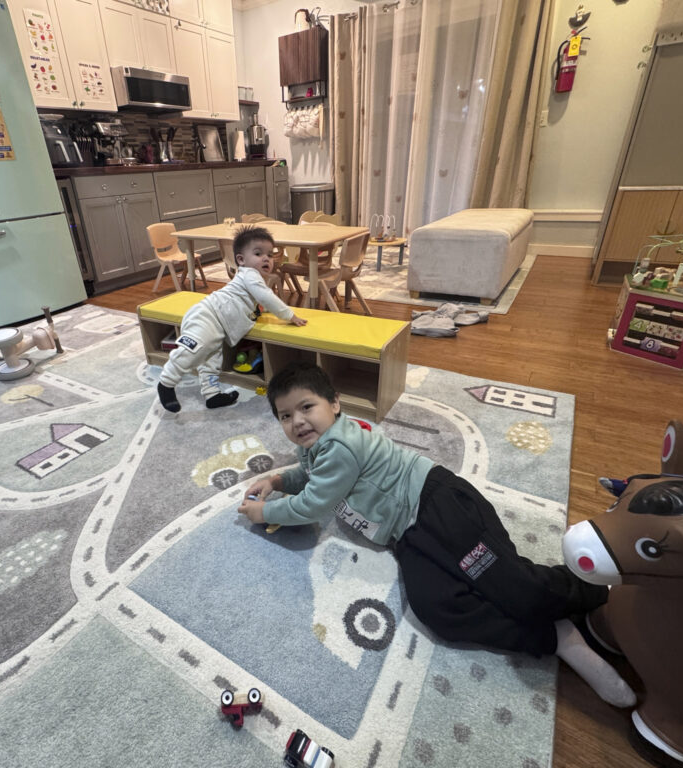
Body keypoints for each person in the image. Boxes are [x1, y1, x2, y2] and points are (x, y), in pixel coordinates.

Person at [238, 361, 636, 708]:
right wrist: (278, 479)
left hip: (437, 503)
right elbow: (309, 477)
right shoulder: (318, 446)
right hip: (407, 534)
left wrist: (262, 513)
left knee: (513, 586)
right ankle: (556, 636)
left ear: (335, 404)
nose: (298, 422)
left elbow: (313, 505)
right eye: (285, 416)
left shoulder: (340, 444)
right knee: (438, 610)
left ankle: (608, 596)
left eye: (307, 407)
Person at [157, 226, 307, 412]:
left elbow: (257, 300)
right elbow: (265, 296)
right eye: (258, 253)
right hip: (207, 316)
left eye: (270, 254)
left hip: (218, 322)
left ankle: (212, 395)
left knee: (211, 360)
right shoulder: (250, 274)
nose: (266, 258)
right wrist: (289, 315)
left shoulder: (252, 277)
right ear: (241, 260)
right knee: (193, 351)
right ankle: (166, 383)